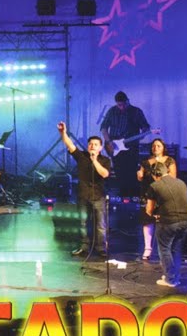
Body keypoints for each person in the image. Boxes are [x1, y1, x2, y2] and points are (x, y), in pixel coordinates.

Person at [57, 121, 112, 257]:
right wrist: (63, 133)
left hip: (98, 196)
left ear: (100, 147)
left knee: (100, 225)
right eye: (90, 144)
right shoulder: (82, 156)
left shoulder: (105, 160)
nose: (92, 146)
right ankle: (84, 247)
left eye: (95, 144)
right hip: (83, 195)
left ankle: (101, 248)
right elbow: (70, 145)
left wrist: (94, 161)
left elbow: (105, 174)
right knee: (82, 223)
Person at [144, 162, 187, 289]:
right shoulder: (181, 183)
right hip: (186, 221)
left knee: (164, 249)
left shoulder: (154, 186)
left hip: (169, 222)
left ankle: (170, 279)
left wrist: (155, 213)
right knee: (175, 249)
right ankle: (175, 277)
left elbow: (149, 210)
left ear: (155, 174)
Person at [100, 91, 150, 197]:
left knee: (131, 171)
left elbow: (145, 128)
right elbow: (104, 128)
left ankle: (133, 196)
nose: (122, 107)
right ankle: (122, 195)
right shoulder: (112, 111)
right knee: (119, 171)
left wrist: (142, 135)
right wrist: (108, 141)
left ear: (128, 101)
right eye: (119, 105)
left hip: (131, 147)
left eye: (123, 104)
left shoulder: (136, 112)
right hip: (114, 147)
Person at [136, 138, 177, 261]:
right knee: (147, 221)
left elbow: (173, 178)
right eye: (154, 146)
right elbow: (140, 177)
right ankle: (147, 248)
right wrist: (139, 175)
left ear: (163, 148)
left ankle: (164, 249)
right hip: (149, 194)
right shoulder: (146, 162)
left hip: (163, 194)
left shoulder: (169, 161)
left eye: (159, 146)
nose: (156, 148)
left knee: (163, 222)